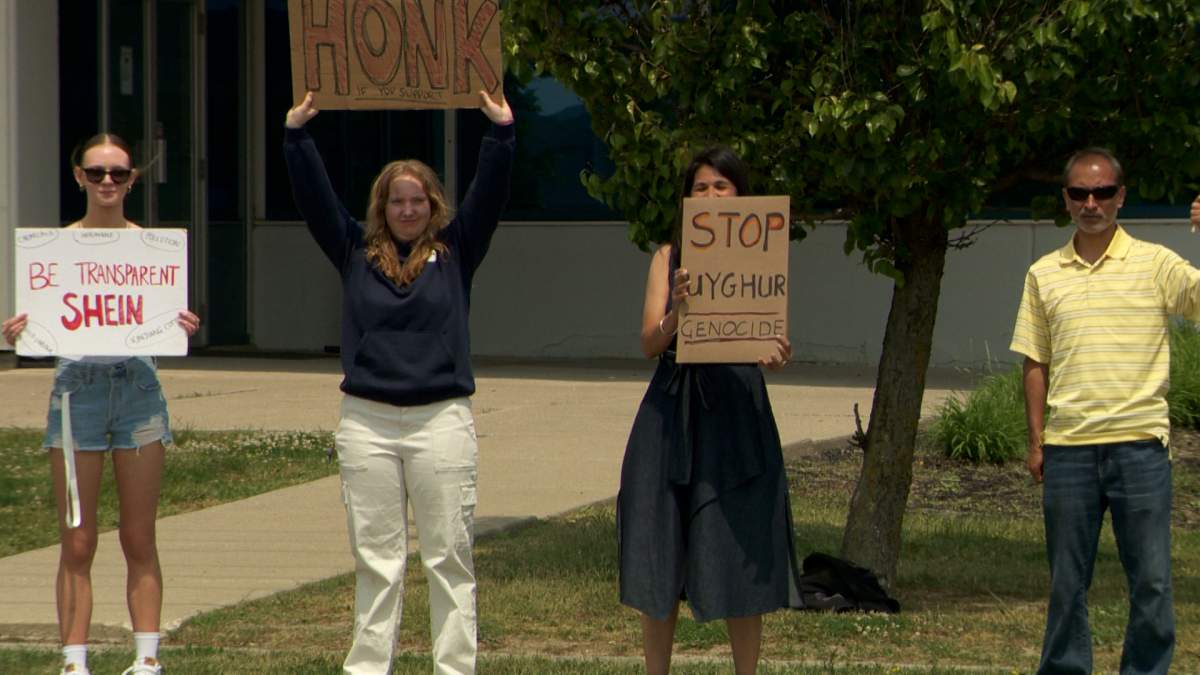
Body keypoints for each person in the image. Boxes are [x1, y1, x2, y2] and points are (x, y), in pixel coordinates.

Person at [282, 90, 513, 675]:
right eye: (396, 201)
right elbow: (315, 199)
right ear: (380, 207)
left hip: (441, 420)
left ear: (432, 204)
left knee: (448, 558)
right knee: (377, 561)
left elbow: (489, 195)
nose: (407, 210)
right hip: (368, 423)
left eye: (417, 200)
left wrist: (501, 132)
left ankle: (455, 669)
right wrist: (297, 135)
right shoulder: (353, 250)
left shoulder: (458, 250)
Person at [1, 133, 201, 675]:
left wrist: (179, 325)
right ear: (78, 177)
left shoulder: (152, 253)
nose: (107, 182)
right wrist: (21, 331)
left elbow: (160, 316)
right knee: (78, 538)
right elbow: (40, 323)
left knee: (139, 534)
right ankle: (74, 661)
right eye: (96, 173)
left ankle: (147, 658)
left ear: (133, 179)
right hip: (76, 392)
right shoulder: (53, 250)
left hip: (138, 390)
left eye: (117, 173)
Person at [1011, 147, 1197, 674]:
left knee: (1154, 583)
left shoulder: (1156, 263)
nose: (1091, 203)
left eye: (1101, 192)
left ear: (1121, 195)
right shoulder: (1043, 274)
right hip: (1068, 451)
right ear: (1065, 199)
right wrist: (1036, 440)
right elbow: (1034, 359)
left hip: (1140, 448)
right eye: (1079, 193)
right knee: (1067, 585)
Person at [616, 146, 801, 675]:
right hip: (672, 410)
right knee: (661, 549)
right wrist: (678, 310)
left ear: (741, 194)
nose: (713, 195)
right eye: (701, 187)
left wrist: (777, 354)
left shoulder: (761, 254)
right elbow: (650, 342)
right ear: (687, 198)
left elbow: (770, 336)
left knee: (741, 548)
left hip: (738, 413)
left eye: (723, 185)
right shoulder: (667, 258)